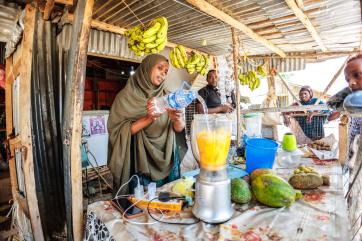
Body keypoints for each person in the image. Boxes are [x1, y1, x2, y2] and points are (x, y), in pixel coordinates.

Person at [107, 54, 185, 195]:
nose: (163, 73)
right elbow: (118, 131)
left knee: (168, 202)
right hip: (140, 159)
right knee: (143, 205)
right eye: (160, 68)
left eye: (166, 71)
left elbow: (178, 129)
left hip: (167, 156)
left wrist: (177, 119)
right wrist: (148, 118)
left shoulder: (167, 96)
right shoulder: (126, 97)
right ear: (146, 68)